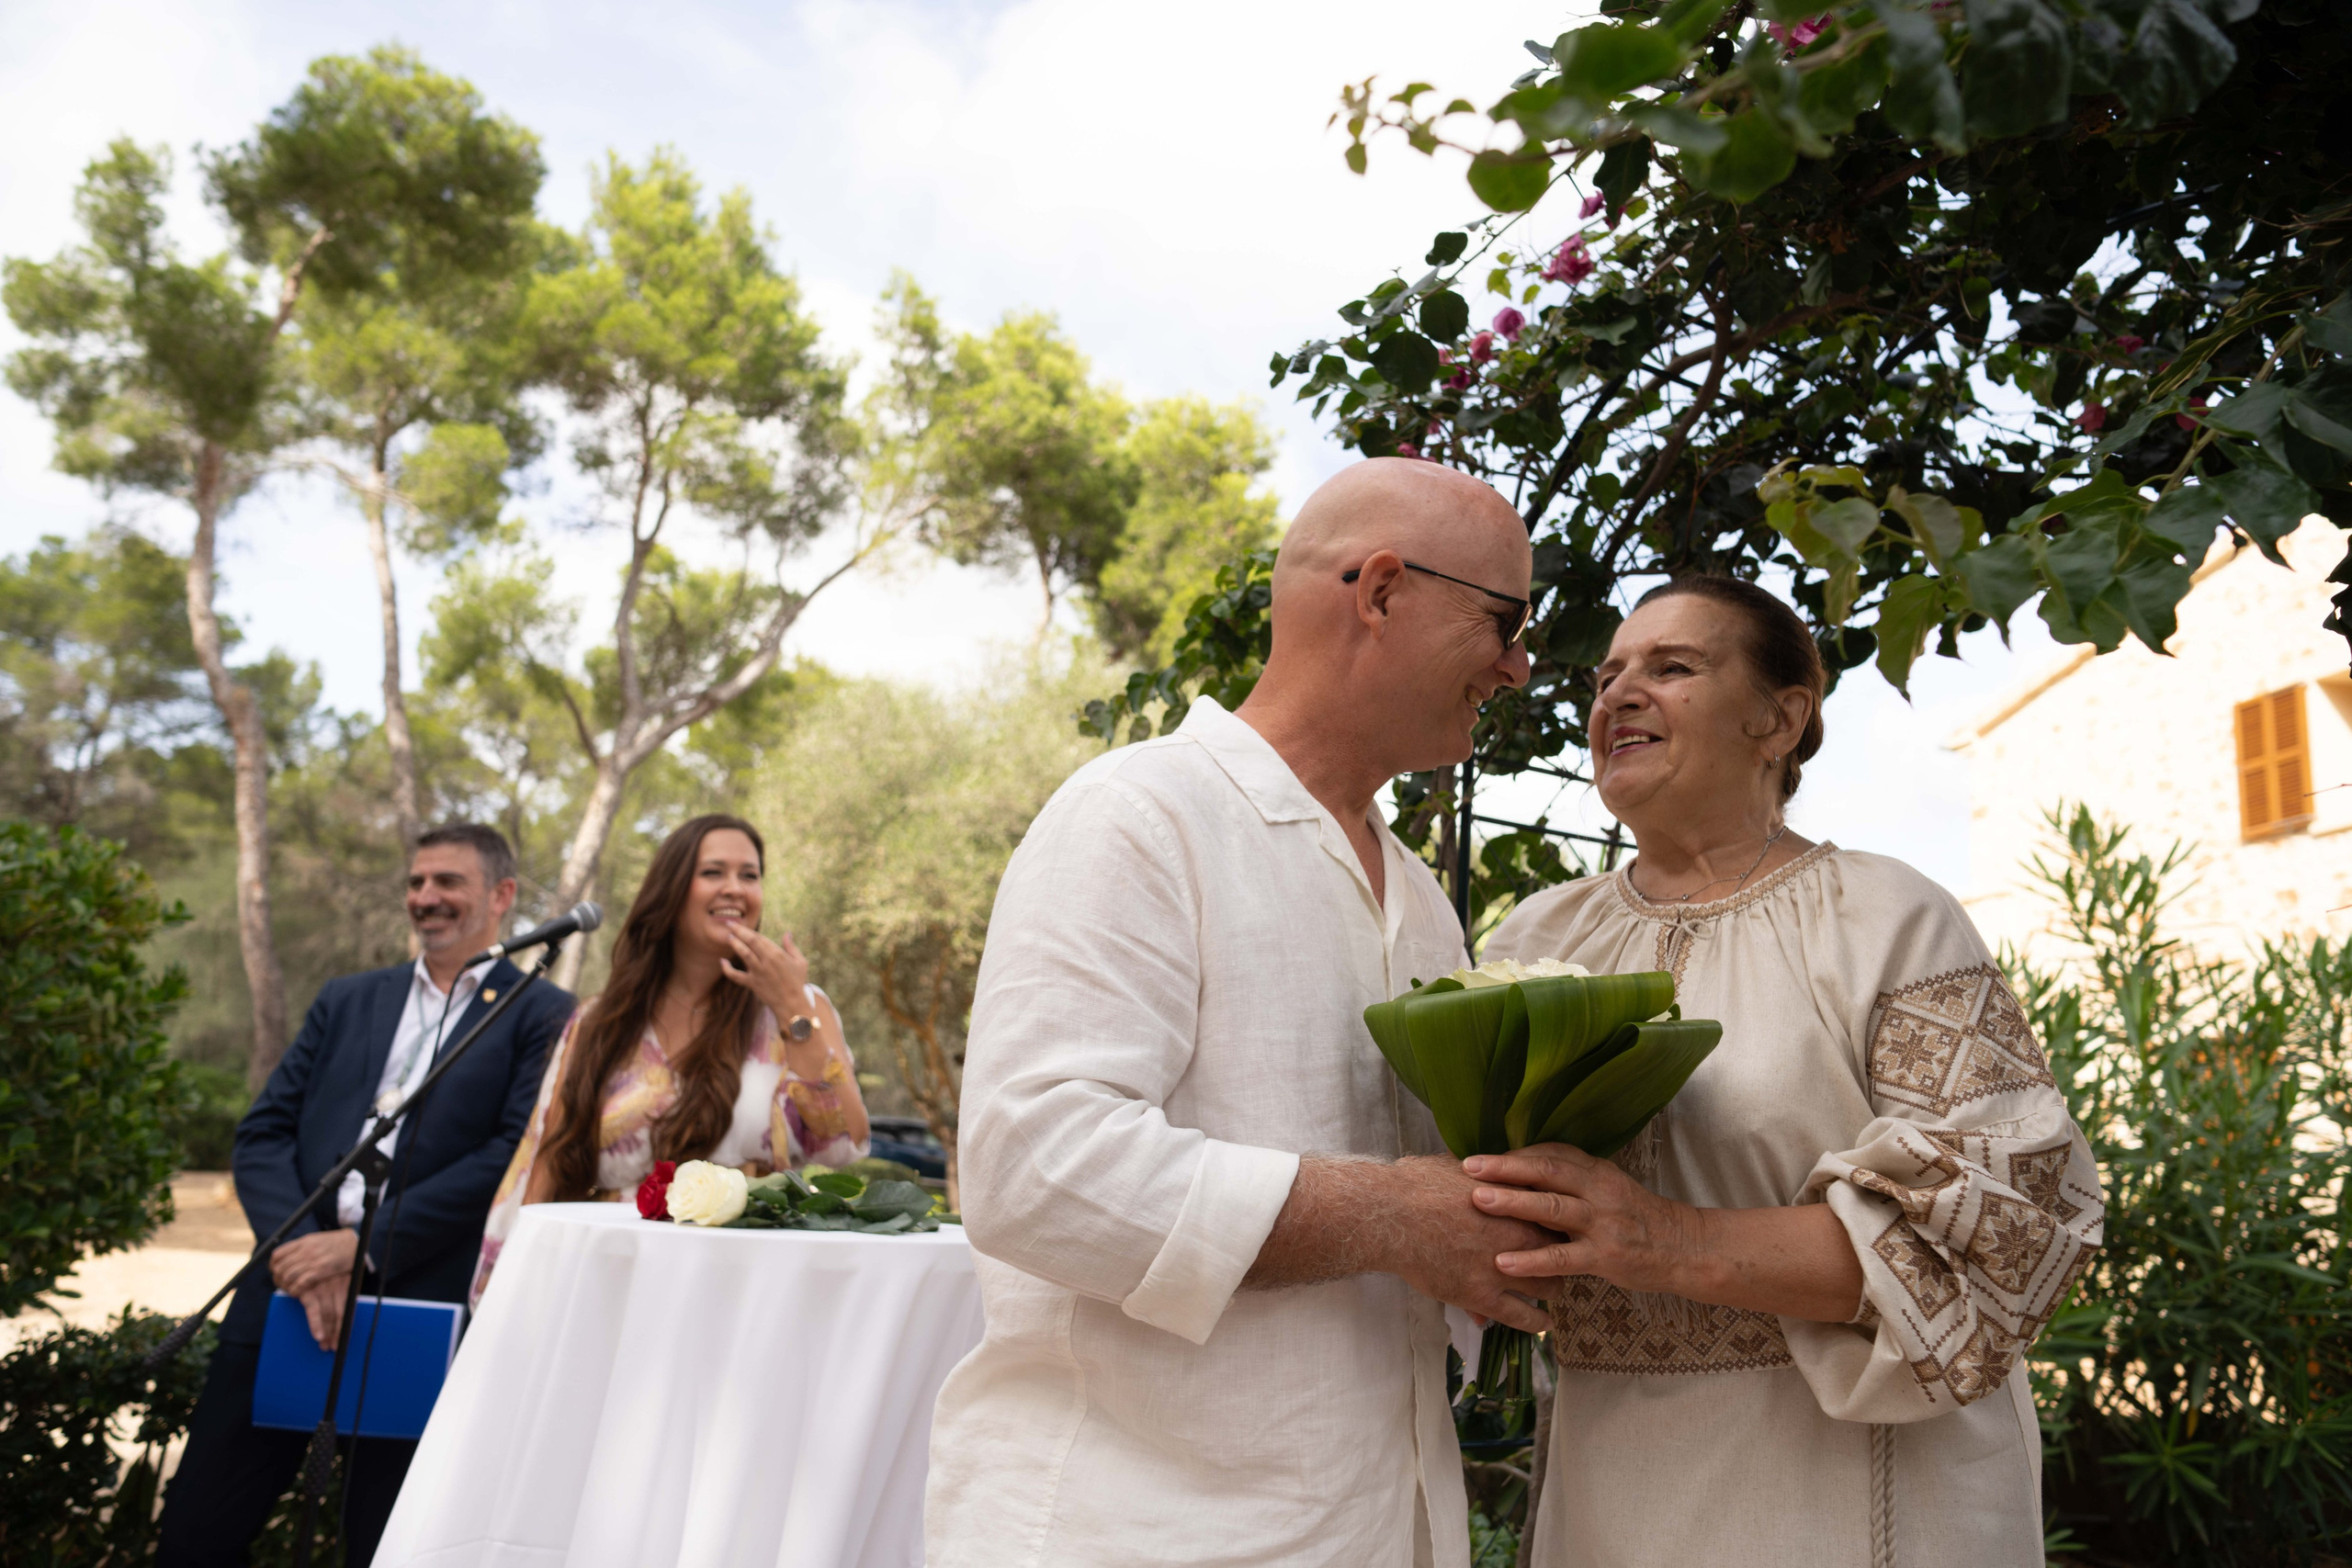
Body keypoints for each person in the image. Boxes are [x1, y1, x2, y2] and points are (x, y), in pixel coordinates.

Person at [926, 457, 1563, 1568]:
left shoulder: (1419, 901)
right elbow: (1035, 1170)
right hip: (1140, 1533)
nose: (1516, 667)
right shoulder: (1136, 816)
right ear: (1376, 590)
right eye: (1504, 622)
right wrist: (1396, 1216)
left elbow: (1431, 1224)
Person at [1467, 577, 2105, 1568]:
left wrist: (1671, 1240)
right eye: (1606, 677)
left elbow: (2012, 1226)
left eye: (1672, 668)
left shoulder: (1884, 919)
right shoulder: (1536, 937)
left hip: (1847, 1482)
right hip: (1609, 1473)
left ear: (1779, 718)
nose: (1618, 696)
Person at [158, 823, 574, 1568]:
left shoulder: (543, 1013)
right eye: (417, 882)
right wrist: (303, 1255)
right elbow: (261, 1133)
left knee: (385, 1545)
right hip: (286, 1303)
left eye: (447, 881)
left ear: (502, 896)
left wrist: (363, 1249)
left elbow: (512, 1154)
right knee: (195, 1533)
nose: (426, 897)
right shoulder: (347, 999)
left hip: (417, 1312)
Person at [474, 813, 867, 1294]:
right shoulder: (602, 1020)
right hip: (610, 1277)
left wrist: (792, 1010)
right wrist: (516, 1282)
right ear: (672, 889)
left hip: (744, 1278)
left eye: (750, 875)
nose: (735, 889)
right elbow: (549, 1156)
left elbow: (844, 1142)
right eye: (713, 873)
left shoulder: (800, 1009)